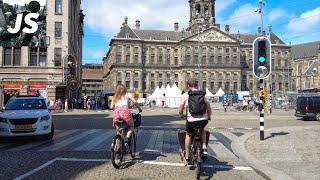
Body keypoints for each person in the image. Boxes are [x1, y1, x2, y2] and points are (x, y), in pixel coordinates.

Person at [178, 78, 212, 166]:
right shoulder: (203, 95)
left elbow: (180, 109)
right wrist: (209, 116)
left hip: (191, 120)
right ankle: (204, 147)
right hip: (203, 120)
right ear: (197, 85)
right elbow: (208, 108)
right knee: (203, 130)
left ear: (188, 86)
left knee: (188, 134)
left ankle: (187, 156)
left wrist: (181, 114)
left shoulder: (185, 95)